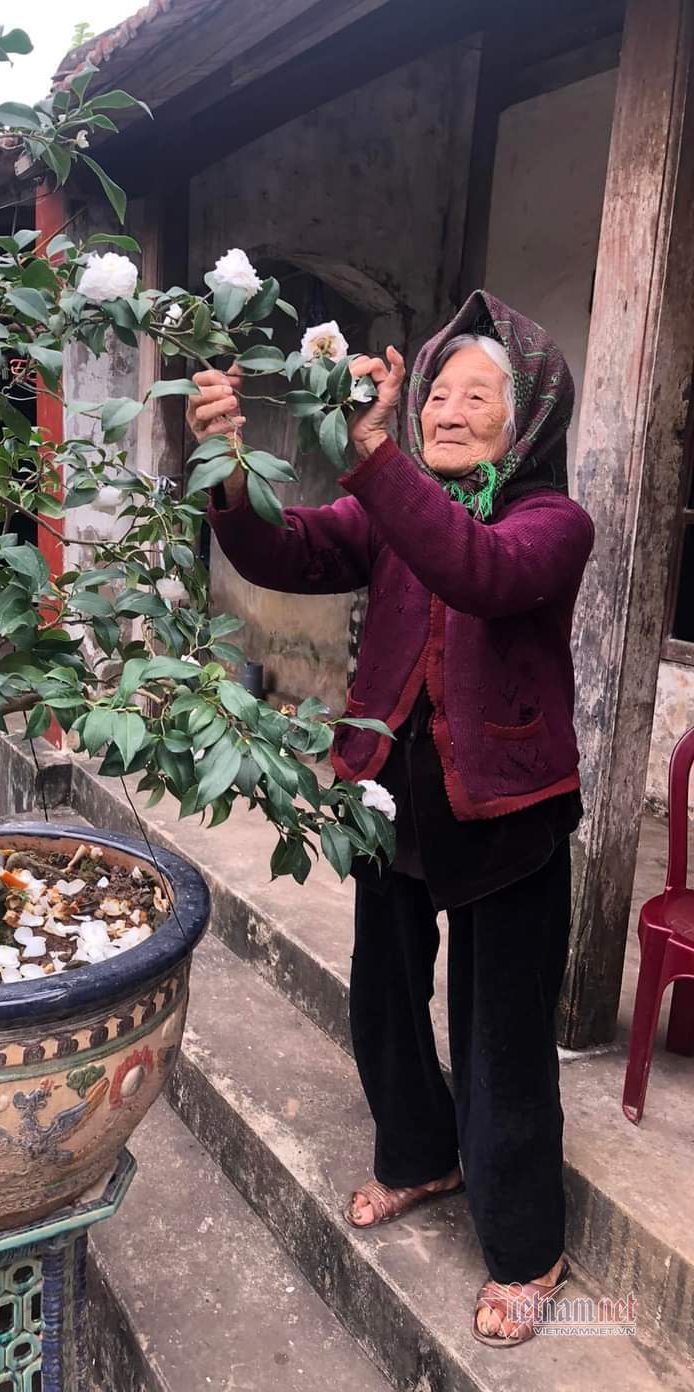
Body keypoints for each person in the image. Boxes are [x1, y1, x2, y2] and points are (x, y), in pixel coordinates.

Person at [186, 290, 594, 1347]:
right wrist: (230, 469)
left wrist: (377, 456)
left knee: (501, 1040)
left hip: (505, 815)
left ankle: (526, 1247)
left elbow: (478, 570)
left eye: (476, 396)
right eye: (438, 393)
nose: (447, 411)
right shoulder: (388, 506)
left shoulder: (552, 523)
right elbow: (288, 550)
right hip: (391, 797)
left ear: (530, 417)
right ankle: (421, 1155)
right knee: (382, 1001)